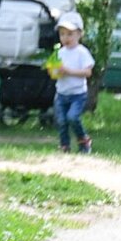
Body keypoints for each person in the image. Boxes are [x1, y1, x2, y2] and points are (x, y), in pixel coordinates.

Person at [53, 11, 95, 153]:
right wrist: (55, 72)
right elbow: (54, 71)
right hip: (62, 93)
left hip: (77, 94)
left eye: (70, 34)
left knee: (72, 117)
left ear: (79, 34)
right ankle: (65, 146)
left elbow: (87, 72)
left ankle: (84, 140)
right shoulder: (59, 53)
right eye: (62, 34)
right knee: (62, 121)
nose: (66, 38)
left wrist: (68, 71)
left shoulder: (82, 52)